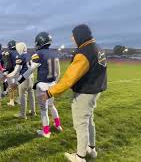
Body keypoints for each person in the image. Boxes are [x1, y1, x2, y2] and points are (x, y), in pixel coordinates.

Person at [41, 24, 107, 162]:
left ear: (80, 35)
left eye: (74, 35)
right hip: (95, 90)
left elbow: (69, 79)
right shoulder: (97, 47)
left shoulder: (85, 52)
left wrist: (50, 92)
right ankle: (91, 149)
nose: (72, 38)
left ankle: (80, 157)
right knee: (89, 120)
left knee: (81, 124)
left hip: (85, 92)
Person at [16, 32, 62, 138]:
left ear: (40, 42)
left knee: (43, 109)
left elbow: (30, 71)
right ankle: (58, 125)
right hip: (53, 84)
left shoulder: (38, 54)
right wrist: (55, 83)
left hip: (43, 85)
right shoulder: (55, 53)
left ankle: (46, 131)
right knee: (51, 105)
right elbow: (58, 72)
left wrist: (18, 81)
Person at [5, 42, 36, 119]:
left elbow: (17, 70)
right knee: (31, 95)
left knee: (23, 96)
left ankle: (22, 114)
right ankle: (33, 111)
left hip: (24, 77)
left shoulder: (20, 57)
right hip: (31, 76)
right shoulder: (29, 55)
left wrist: (8, 75)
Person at [3, 40, 19, 106]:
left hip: (12, 71)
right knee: (17, 86)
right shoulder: (19, 52)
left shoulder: (8, 53)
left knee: (10, 87)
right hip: (19, 71)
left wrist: (6, 70)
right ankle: (19, 99)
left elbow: (8, 64)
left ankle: (11, 101)